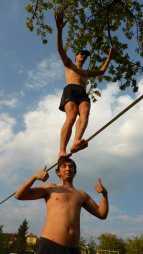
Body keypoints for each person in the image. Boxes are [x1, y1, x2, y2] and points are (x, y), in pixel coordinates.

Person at [15, 157, 108, 254]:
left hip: (73, 249)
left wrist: (105, 195)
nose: (68, 168)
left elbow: (102, 214)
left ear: (74, 172)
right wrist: (34, 177)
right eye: (64, 166)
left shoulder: (82, 194)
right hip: (49, 245)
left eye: (71, 166)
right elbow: (19, 195)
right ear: (58, 172)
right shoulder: (51, 188)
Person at [55, 11, 114, 158]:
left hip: (82, 93)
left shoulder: (86, 72)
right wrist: (60, 30)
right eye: (81, 54)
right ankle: (62, 150)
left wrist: (109, 57)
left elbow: (101, 71)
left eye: (85, 55)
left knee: (85, 112)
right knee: (71, 117)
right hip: (71, 89)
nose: (83, 56)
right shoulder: (69, 64)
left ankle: (76, 140)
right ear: (76, 56)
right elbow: (60, 49)